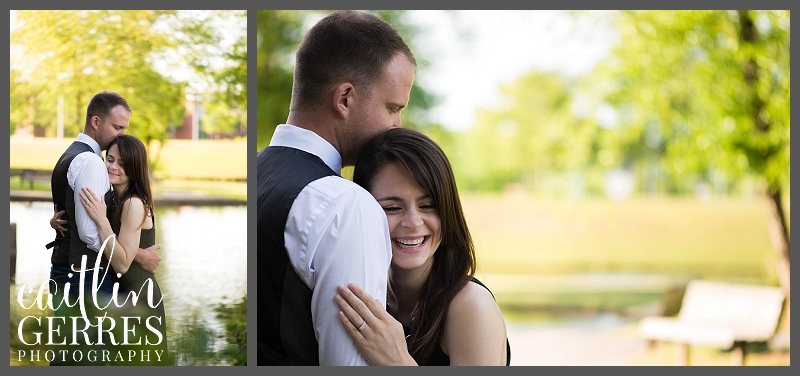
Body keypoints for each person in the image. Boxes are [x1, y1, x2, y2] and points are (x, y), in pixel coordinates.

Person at [256, 10, 416, 365]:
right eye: (392, 108)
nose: (397, 126)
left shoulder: (256, 171)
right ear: (344, 98)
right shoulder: (346, 206)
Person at [334, 128, 511, 366]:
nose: (414, 223)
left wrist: (396, 361)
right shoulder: (360, 293)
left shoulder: (471, 306)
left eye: (428, 205)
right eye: (392, 208)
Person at [46, 90, 162, 365]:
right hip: (88, 277)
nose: (121, 135)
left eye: (125, 128)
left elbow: (87, 224)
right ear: (96, 121)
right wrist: (137, 254)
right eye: (117, 127)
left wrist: (105, 228)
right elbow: (86, 231)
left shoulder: (70, 155)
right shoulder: (90, 162)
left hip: (127, 290)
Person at [78, 134, 169, 365]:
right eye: (110, 159)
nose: (113, 167)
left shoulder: (133, 203)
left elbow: (121, 262)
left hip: (139, 301)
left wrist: (101, 220)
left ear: (134, 168)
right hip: (121, 298)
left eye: (122, 163)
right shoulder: (112, 198)